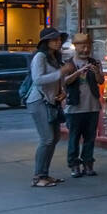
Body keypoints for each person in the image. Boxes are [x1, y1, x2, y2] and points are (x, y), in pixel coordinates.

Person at [28, 26, 79, 188]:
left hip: (52, 101)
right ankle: (38, 176)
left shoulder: (54, 57)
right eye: (54, 40)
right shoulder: (40, 57)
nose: (58, 42)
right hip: (38, 101)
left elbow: (59, 80)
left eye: (59, 40)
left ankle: (45, 174)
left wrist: (62, 91)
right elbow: (38, 79)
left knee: (54, 138)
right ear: (46, 42)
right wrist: (62, 71)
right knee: (47, 138)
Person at [65, 32, 103, 178]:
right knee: (74, 138)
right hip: (74, 107)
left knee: (90, 137)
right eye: (82, 46)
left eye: (88, 45)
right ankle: (74, 164)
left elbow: (100, 81)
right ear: (76, 46)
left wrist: (96, 72)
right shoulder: (68, 64)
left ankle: (88, 163)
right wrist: (79, 72)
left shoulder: (95, 62)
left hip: (92, 106)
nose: (86, 49)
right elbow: (65, 81)